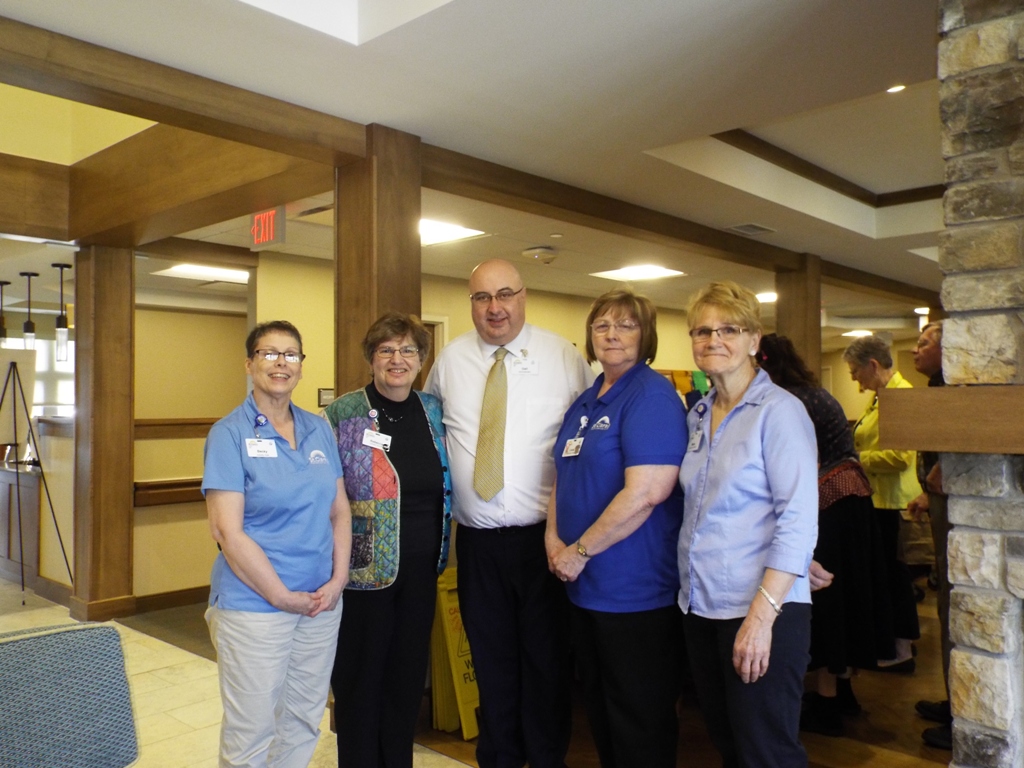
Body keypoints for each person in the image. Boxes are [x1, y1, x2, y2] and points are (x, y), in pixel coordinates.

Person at [424, 259, 593, 768]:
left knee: (545, 662)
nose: (494, 307)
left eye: (504, 294)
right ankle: (498, 757)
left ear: (523, 296)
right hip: (477, 544)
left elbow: (590, 436)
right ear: (471, 303)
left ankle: (545, 758)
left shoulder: (563, 357)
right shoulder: (449, 362)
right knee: (490, 658)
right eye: (481, 297)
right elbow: (432, 433)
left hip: (544, 541)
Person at [677, 281, 817, 768]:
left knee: (766, 753)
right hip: (702, 606)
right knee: (730, 745)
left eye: (729, 330)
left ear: (754, 340)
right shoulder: (699, 414)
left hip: (759, 611)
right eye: (702, 331)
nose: (713, 339)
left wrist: (761, 618)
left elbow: (798, 516)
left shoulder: (780, 412)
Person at [547, 288, 687, 768]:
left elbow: (647, 492)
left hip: (635, 593)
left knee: (639, 722)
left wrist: (579, 551)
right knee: (603, 715)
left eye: (626, 325)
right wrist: (553, 538)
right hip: (584, 588)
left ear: (646, 336)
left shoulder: (652, 397)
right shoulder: (589, 398)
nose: (612, 334)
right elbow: (562, 473)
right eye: (602, 325)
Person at [202, 320, 351, 768]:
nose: (280, 363)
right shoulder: (229, 434)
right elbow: (227, 532)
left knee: (302, 721)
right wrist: (281, 596)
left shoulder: (318, 428)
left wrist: (338, 581)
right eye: (268, 353)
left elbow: (339, 511)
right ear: (249, 364)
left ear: (301, 366)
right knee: (251, 733)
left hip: (320, 605)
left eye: (290, 354)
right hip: (254, 607)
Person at [324, 312, 453, 768]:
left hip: (422, 570)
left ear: (421, 358)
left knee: (405, 679)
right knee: (361, 681)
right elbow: (325, 494)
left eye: (408, 350)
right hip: (364, 574)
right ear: (371, 358)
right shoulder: (343, 413)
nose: (397, 359)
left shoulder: (433, 410)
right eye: (386, 350)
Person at [757, 334, 895, 737]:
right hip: (852, 500)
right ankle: (841, 691)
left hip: (830, 504)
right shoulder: (813, 394)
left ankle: (827, 701)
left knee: (828, 603)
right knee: (847, 599)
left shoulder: (788, 401)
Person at [843, 335, 923, 673]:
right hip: (879, 499)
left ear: (873, 365)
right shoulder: (881, 396)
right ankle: (890, 644)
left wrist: (857, 460)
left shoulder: (901, 396)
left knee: (895, 577)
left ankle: (901, 650)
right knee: (887, 576)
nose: (854, 379)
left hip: (894, 500)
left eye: (855, 371)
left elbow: (900, 457)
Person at [906, 321, 952, 750]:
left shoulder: (955, 389)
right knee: (947, 608)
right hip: (938, 501)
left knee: (955, 606)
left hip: (957, 510)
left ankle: (963, 712)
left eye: (923, 343)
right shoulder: (936, 387)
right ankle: (956, 701)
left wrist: (945, 468)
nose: (914, 350)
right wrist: (926, 490)